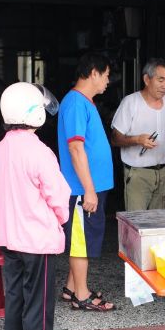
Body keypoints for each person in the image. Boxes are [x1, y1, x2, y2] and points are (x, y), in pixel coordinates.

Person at [0, 82, 71, 330]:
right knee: (38, 305)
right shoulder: (39, 151)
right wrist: (62, 220)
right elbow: (58, 195)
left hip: (9, 237)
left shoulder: (1, 148)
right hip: (37, 239)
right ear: (35, 114)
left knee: (16, 300)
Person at [57, 52, 115, 311]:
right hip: (82, 189)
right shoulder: (76, 103)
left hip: (90, 187)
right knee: (81, 240)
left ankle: (71, 288)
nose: (107, 81)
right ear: (93, 72)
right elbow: (76, 149)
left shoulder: (84, 102)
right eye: (106, 75)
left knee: (83, 239)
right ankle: (82, 295)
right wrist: (89, 190)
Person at [110, 58, 165, 211]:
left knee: (161, 225)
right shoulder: (131, 102)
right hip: (139, 175)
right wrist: (137, 139)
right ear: (147, 79)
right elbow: (114, 139)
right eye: (161, 80)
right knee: (136, 224)